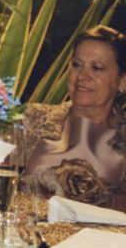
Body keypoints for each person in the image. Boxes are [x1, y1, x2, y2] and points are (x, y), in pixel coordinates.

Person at [25, 25, 126, 209]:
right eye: (76, 65)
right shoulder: (31, 119)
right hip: (21, 233)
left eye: (97, 68)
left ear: (122, 81)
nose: (82, 76)